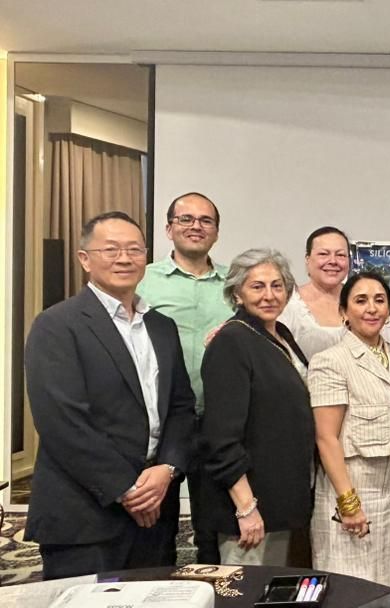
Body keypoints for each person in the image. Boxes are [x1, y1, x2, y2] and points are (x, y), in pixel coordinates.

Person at [23, 211, 196, 579]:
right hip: (86, 514)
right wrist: (128, 489)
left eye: (134, 249)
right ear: (85, 259)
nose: (124, 258)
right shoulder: (57, 325)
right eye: (111, 249)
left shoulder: (161, 327)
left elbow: (181, 408)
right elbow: (63, 422)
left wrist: (166, 469)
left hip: (156, 509)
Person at [201, 248, 315, 566]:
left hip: (282, 502)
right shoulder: (231, 342)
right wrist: (246, 508)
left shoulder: (281, 334)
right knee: (247, 595)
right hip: (250, 511)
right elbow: (221, 438)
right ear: (237, 293)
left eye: (277, 286)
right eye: (257, 286)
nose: (269, 295)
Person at [308, 271, 390, 608]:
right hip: (352, 491)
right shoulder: (330, 362)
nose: (371, 308)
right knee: (351, 591)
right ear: (344, 312)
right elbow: (326, 438)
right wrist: (348, 503)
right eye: (360, 300)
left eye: (379, 300)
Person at [137, 192, 233, 565]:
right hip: (163, 421)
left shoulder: (234, 283)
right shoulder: (144, 280)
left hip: (217, 419)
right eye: (186, 219)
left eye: (205, 220)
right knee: (157, 523)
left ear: (217, 232)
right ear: (169, 228)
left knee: (214, 524)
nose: (196, 226)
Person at [280, 226, 350, 359]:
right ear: (307, 259)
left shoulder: (361, 302)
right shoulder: (288, 303)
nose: (333, 261)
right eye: (323, 254)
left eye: (340, 255)